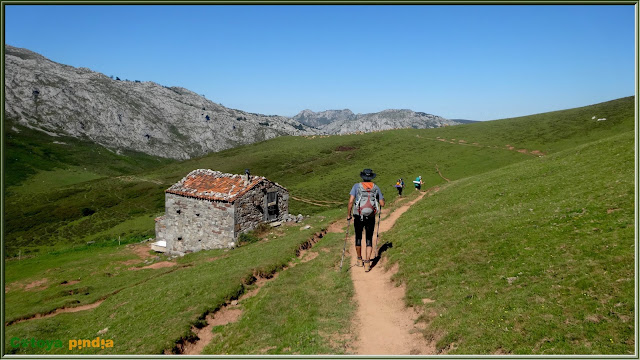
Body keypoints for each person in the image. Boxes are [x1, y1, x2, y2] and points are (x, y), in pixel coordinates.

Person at [347, 168, 385, 272]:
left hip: (358, 216)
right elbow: (382, 204)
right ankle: (368, 263)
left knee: (358, 238)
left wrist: (349, 215)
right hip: (371, 217)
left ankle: (360, 260)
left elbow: (350, 202)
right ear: (371, 177)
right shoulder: (376, 188)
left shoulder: (356, 186)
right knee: (369, 239)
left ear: (363, 176)